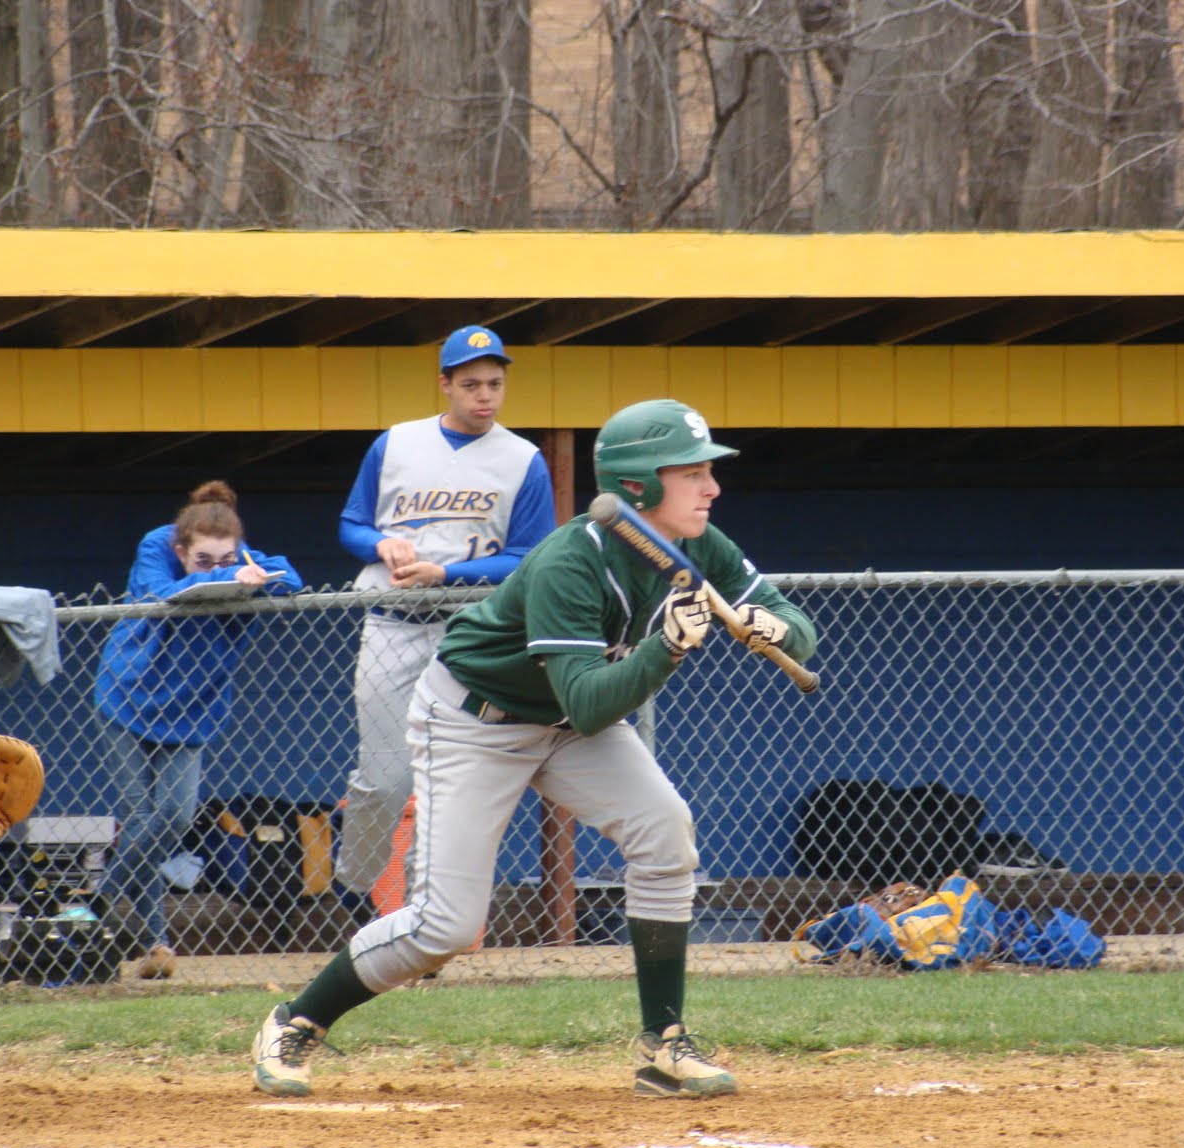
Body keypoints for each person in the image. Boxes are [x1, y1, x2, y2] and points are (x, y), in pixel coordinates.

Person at [251, 398, 817, 1100]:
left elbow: (798, 624)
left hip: (566, 721)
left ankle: (664, 1044)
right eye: (693, 472)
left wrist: (777, 628)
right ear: (637, 484)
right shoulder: (570, 560)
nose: (713, 487)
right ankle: (296, 1020)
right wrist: (666, 648)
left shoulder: (701, 541)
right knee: (446, 927)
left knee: (663, 830)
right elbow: (592, 701)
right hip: (476, 721)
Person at [333, 324, 555, 921]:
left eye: (495, 384)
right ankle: (353, 885)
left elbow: (529, 558)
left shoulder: (523, 460)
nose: (485, 396)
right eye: (472, 384)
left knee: (446, 778)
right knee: (385, 778)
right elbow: (350, 525)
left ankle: (424, 913)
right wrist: (382, 544)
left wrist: (449, 573)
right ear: (445, 384)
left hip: (467, 627)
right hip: (390, 624)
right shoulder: (397, 443)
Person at [94, 480, 302, 980]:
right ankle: (155, 941)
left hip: (193, 710)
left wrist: (254, 574)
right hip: (128, 695)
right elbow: (161, 591)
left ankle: (97, 902)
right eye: (202, 560)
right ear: (181, 548)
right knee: (143, 817)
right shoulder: (157, 545)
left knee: (175, 815)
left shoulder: (238, 556)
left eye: (225, 558)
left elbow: (289, 577)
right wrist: (227, 576)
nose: (215, 568)